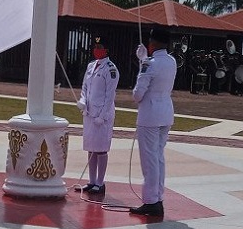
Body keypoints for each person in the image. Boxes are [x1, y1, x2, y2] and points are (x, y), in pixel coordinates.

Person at [129, 26, 176, 218]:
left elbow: (137, 95)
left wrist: (143, 64)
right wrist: (144, 62)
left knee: (149, 161)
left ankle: (151, 201)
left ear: (153, 42)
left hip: (150, 114)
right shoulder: (171, 61)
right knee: (158, 158)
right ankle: (157, 197)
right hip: (166, 111)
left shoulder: (151, 63)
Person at [74, 36, 119, 195]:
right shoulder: (91, 66)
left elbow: (110, 95)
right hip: (89, 113)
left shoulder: (110, 69)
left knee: (101, 150)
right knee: (91, 148)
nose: (96, 49)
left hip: (102, 115)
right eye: (95, 46)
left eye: (100, 46)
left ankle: (100, 183)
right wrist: (83, 100)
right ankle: (92, 181)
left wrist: (103, 115)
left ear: (106, 50)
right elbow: (85, 87)